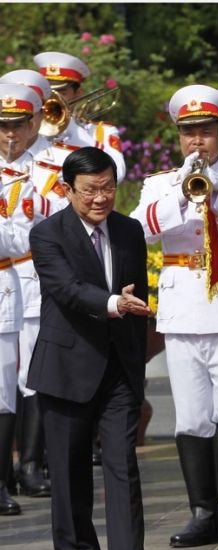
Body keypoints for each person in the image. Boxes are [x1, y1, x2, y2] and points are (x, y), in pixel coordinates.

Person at [130, 85, 218, 548]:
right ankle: (203, 511)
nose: (198, 143)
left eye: (206, 133)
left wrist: (216, 187)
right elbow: (140, 228)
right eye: (189, 134)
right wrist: (184, 196)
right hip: (183, 309)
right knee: (191, 418)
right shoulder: (161, 184)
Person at [26, 147, 161, 550]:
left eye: (108, 188)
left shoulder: (129, 230)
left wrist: (129, 318)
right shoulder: (48, 233)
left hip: (119, 369)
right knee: (69, 471)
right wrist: (112, 303)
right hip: (66, 367)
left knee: (123, 466)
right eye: (90, 191)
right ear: (68, 190)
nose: (100, 199)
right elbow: (64, 289)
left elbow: (135, 293)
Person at [0, 77, 68, 497]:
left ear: (35, 122)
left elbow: (62, 215)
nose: (10, 133)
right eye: (3, 124)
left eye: (18, 124)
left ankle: (31, 463)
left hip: (39, 280)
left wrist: (34, 202)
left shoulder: (54, 165)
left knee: (36, 375)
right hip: (6, 280)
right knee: (4, 379)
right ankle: (7, 475)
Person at [33, 51, 126, 183]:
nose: (52, 99)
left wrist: (69, 125)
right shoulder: (28, 129)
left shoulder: (101, 133)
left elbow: (118, 174)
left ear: (78, 93)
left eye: (62, 93)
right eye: (48, 93)